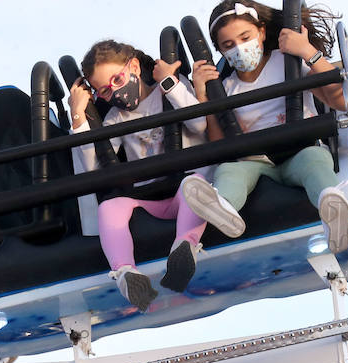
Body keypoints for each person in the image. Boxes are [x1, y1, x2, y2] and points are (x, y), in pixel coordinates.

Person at [68, 40, 245, 310]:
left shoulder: (172, 89)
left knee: (194, 185)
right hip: (151, 197)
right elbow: (93, 164)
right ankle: (125, 272)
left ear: (135, 66)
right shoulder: (115, 119)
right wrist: (78, 116)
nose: (115, 92)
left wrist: (170, 83)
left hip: (187, 189)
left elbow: (198, 124)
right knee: (109, 207)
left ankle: (184, 249)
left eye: (117, 79)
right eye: (105, 91)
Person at [199, 0, 348, 254]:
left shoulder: (287, 62)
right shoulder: (226, 88)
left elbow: (343, 101)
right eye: (229, 45)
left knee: (314, 161)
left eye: (245, 37)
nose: (240, 48)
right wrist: (204, 95)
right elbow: (218, 144)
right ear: (221, 52)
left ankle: (331, 205)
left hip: (299, 151)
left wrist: (307, 52)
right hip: (256, 162)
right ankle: (225, 209)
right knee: (228, 170)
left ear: (261, 31)